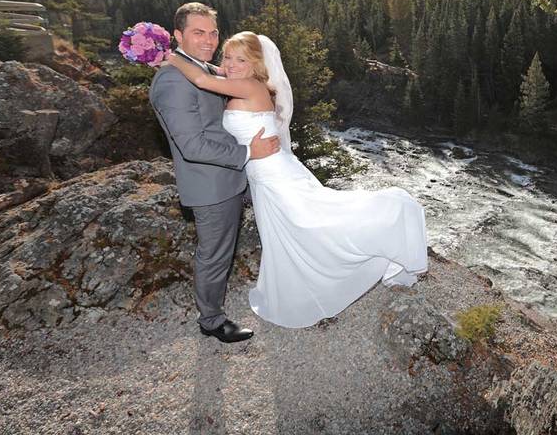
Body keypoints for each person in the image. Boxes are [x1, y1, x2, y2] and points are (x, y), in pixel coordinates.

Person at [164, 30, 428, 328]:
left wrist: (169, 57)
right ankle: (298, 288)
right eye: (227, 56)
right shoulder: (242, 80)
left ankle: (388, 227)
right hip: (263, 173)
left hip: (272, 175)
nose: (231, 63)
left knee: (309, 224)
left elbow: (201, 79)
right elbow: (213, 71)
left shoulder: (249, 87)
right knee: (286, 234)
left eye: (241, 58)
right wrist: (212, 64)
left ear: (256, 63)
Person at [149, 2, 281, 344]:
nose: (208, 40)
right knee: (214, 254)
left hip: (231, 175)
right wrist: (249, 151)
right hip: (211, 185)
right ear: (178, 35)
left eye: (213, 33)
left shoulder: (195, 66)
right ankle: (211, 320)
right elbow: (192, 145)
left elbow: (210, 78)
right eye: (198, 32)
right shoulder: (172, 81)